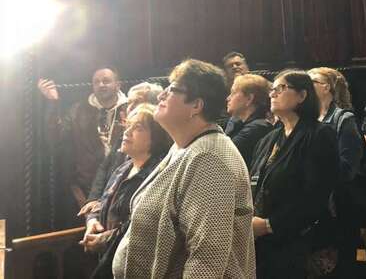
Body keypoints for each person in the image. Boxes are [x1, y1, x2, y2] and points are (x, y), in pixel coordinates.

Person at [111, 59, 255, 278]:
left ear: (196, 105)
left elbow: (207, 258)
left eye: (172, 89)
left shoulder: (209, 158)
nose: (161, 95)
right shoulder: (184, 147)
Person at [249, 70, 339, 279]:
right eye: (272, 89)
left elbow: (315, 196)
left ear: (302, 95)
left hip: (298, 242)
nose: (272, 94)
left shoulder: (319, 134)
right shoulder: (268, 139)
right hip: (262, 245)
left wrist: (269, 225)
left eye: (281, 88)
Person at [81, 104, 171, 279]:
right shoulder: (124, 167)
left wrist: (104, 239)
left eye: (138, 128)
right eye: (128, 125)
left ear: (156, 137)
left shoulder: (156, 174)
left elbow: (141, 227)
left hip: (132, 264)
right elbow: (102, 202)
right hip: (108, 259)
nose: (127, 132)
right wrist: (92, 220)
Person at [38, 67, 128, 217]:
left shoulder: (130, 109)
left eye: (106, 81)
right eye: (96, 82)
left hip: (123, 182)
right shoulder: (78, 111)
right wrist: (53, 102)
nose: (101, 85)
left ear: (117, 85)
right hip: (88, 185)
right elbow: (55, 138)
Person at [308, 67, 364, 277]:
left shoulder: (343, 119)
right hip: (314, 210)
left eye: (312, 81)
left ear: (327, 88)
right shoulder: (308, 119)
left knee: (337, 268)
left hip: (338, 209)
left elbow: (347, 169)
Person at [82, 82, 163, 214]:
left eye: (137, 102)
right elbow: (105, 167)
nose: (130, 108)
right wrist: (94, 201)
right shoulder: (123, 166)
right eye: (129, 103)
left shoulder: (159, 165)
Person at [225, 73, 273, 168]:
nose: (228, 98)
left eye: (233, 93)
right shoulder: (243, 124)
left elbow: (223, 154)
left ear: (249, 99)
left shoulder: (258, 128)